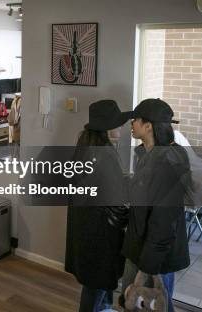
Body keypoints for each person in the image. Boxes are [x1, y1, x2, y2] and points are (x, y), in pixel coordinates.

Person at [120, 98, 191, 312]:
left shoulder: (170, 161)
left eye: (135, 120)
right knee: (132, 301)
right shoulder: (146, 154)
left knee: (157, 305)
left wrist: (148, 265)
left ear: (148, 125)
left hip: (155, 255)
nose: (131, 124)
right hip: (138, 246)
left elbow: (164, 220)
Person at [65, 100, 129, 312]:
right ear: (107, 127)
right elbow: (114, 199)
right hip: (101, 233)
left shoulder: (86, 147)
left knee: (94, 284)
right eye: (118, 123)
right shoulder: (105, 154)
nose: (121, 127)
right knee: (98, 285)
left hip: (86, 229)